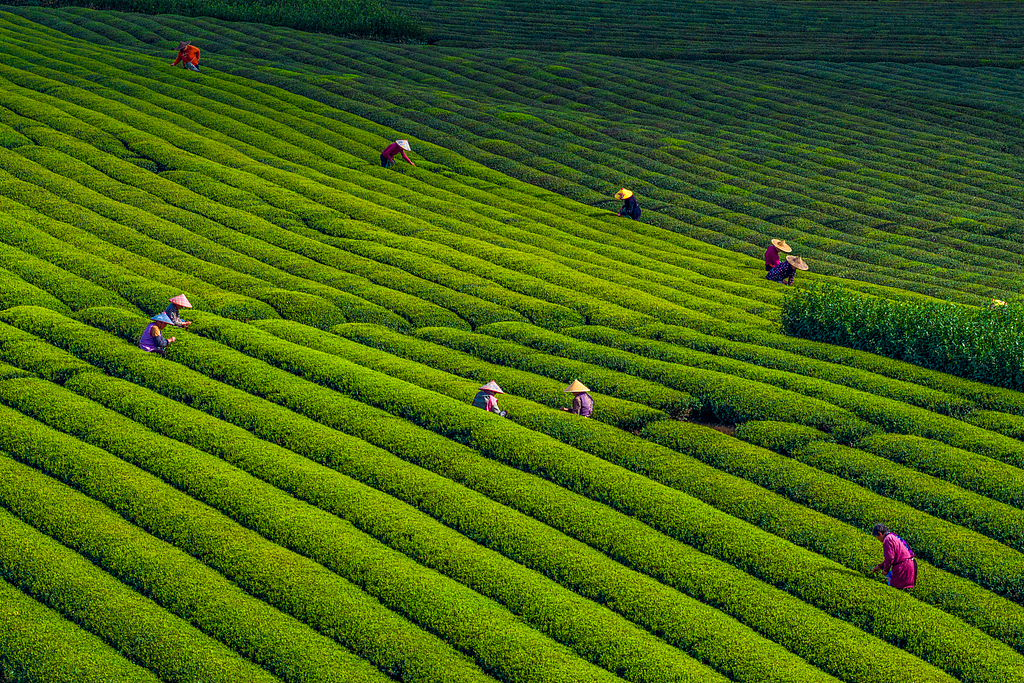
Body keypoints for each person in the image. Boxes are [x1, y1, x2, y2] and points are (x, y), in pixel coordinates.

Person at [870, 523, 917, 589]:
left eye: (877, 538)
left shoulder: (887, 540)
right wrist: (880, 566)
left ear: (880, 533)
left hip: (903, 567)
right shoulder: (892, 536)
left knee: (895, 587)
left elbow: (890, 558)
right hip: (910, 564)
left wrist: (885, 570)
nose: (879, 540)